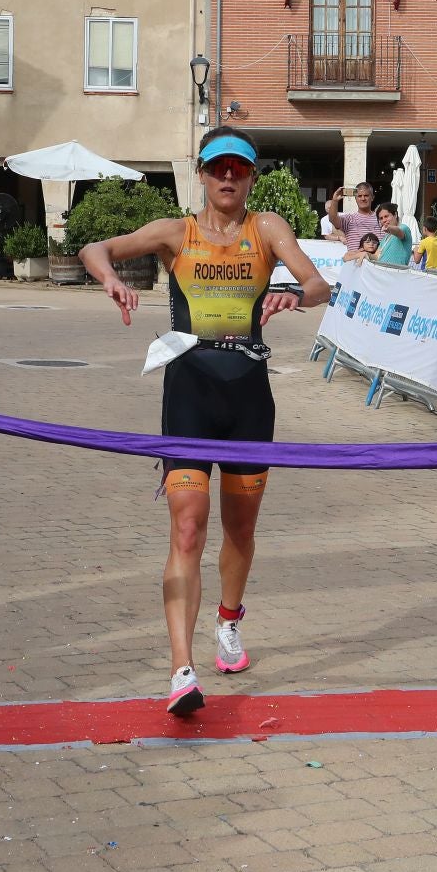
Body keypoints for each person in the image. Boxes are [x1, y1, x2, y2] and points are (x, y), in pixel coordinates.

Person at [80, 127, 327, 716]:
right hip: (187, 395)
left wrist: (296, 291)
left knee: (240, 528)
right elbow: (97, 248)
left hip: (249, 401)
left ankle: (229, 620)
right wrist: (110, 279)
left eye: (238, 171)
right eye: (218, 169)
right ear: (202, 174)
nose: (227, 179)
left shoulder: (267, 229)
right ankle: (180, 669)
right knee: (188, 528)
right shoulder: (175, 233)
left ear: (250, 178)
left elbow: (319, 282)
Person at [324, 182, 381, 246]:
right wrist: (335, 200)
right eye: (359, 196)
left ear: (372, 197)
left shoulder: (381, 219)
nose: (363, 199)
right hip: (354, 255)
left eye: (366, 196)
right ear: (355, 198)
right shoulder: (349, 219)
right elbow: (332, 219)